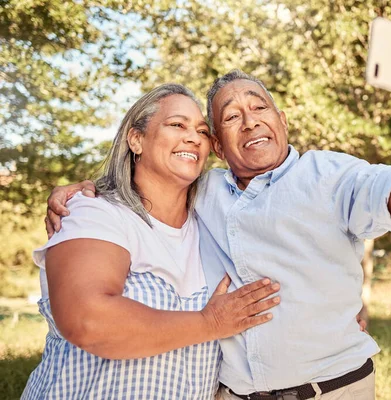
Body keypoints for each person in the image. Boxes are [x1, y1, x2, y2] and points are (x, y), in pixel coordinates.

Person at [47, 39, 391, 399]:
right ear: (219, 147)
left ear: (282, 120)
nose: (249, 121)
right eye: (229, 118)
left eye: (258, 107)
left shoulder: (329, 174)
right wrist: (84, 189)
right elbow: (149, 179)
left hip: (331, 391)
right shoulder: (203, 192)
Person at [23, 84, 281, 400]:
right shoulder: (95, 211)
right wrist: (209, 323)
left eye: (201, 130)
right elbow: (87, 321)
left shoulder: (212, 227)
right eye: (177, 125)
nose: (193, 137)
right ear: (136, 139)